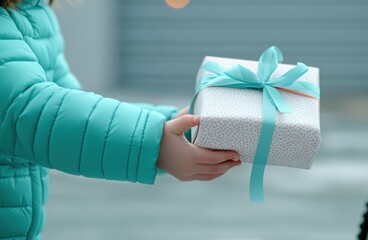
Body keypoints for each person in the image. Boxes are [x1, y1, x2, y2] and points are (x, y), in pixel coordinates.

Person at [0, 0, 241, 239]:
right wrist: (154, 142)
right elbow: (27, 110)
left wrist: (176, 124)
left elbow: (71, 105)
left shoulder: (34, 9)